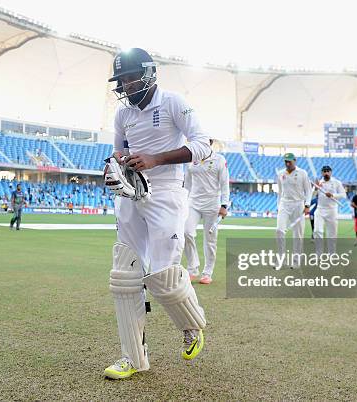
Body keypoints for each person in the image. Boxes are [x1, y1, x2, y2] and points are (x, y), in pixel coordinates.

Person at [103, 48, 210, 380]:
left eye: (132, 77)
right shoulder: (122, 116)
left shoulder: (174, 102)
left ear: (149, 73)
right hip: (132, 192)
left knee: (164, 275)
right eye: (122, 79)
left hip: (166, 192)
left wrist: (155, 159)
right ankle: (132, 356)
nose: (127, 84)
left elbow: (204, 145)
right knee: (125, 275)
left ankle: (192, 326)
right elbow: (120, 149)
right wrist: (116, 163)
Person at [183, 138, 230, 284]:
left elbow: (224, 184)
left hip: (212, 204)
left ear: (209, 144)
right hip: (194, 203)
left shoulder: (219, 160)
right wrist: (183, 201)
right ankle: (192, 269)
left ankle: (207, 273)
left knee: (210, 240)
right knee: (186, 232)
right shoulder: (192, 160)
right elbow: (187, 184)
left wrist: (224, 205)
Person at [275, 153, 312, 267]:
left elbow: (309, 191)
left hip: (298, 205)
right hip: (284, 204)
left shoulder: (302, 173)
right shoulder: (281, 174)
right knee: (279, 231)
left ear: (295, 161)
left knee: (298, 234)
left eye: (289, 161)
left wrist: (307, 205)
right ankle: (281, 260)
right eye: (285, 161)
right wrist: (278, 206)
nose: (287, 163)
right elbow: (280, 192)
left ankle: (296, 262)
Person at [313, 165, 346, 254]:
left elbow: (343, 195)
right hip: (320, 210)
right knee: (317, 231)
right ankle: (318, 254)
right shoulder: (319, 183)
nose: (326, 173)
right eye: (324, 171)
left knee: (331, 234)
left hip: (332, 210)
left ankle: (332, 254)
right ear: (322, 173)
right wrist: (316, 188)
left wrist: (332, 195)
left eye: (328, 171)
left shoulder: (336, 182)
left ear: (331, 172)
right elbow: (313, 195)